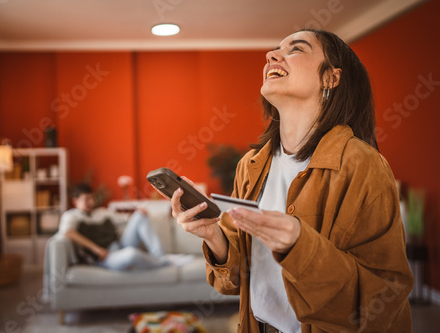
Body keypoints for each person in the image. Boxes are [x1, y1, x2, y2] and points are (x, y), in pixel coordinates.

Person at [170, 30, 413, 333]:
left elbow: (382, 300)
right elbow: (236, 280)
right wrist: (213, 237)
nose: (271, 56)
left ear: (331, 78)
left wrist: (300, 247)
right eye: (274, 50)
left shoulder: (363, 165)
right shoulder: (251, 166)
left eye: (296, 49)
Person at [58, 183, 169, 270]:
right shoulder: (71, 215)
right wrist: (96, 249)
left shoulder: (102, 212)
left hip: (119, 245)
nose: (91, 202)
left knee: (140, 215)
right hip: (105, 258)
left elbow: (126, 218)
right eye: (87, 199)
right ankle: (163, 263)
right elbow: (68, 232)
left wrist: (138, 212)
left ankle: (159, 255)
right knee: (131, 253)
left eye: (92, 198)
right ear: (75, 201)